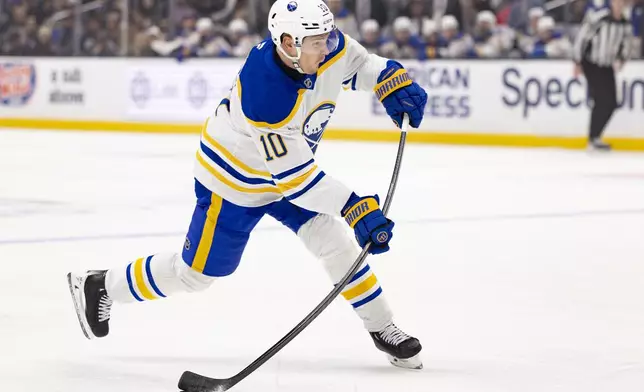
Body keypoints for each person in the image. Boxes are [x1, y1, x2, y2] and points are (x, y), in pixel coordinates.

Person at [67, 0, 428, 370]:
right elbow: (298, 180)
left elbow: (361, 64)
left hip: (287, 174)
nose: (329, 46)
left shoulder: (323, 46)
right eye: (318, 42)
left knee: (333, 240)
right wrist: (354, 206)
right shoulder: (266, 91)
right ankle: (101, 286)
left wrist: (389, 79)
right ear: (288, 44)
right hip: (234, 182)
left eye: (329, 36)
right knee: (195, 276)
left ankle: (383, 327)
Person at [573, 0, 633, 151]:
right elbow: (582, 37)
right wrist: (577, 61)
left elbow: (626, 43)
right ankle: (593, 138)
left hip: (607, 65)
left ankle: (595, 136)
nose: (619, 5)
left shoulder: (625, 23)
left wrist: (622, 58)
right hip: (591, 62)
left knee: (612, 102)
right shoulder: (599, 18)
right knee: (601, 99)